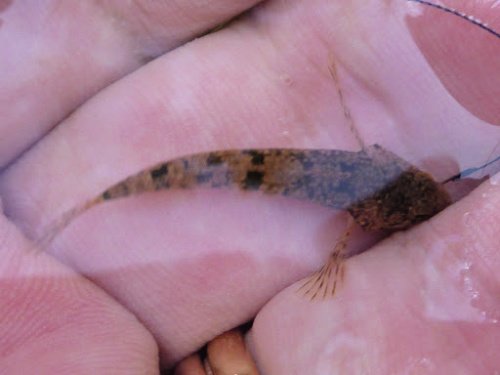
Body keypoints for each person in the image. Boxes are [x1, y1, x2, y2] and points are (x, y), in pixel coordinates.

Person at [0, 0, 498, 373]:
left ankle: (94, 202)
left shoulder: (373, 176)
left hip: (277, 166)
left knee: (221, 168)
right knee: (217, 169)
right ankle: (94, 201)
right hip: (277, 169)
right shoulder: (366, 201)